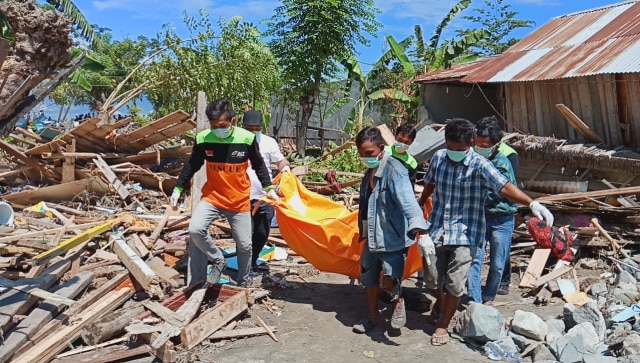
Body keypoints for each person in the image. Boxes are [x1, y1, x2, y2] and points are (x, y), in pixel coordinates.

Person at [418, 118, 553, 346]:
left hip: (466, 234)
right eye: (451, 148)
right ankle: (439, 302)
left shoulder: (480, 165)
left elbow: (504, 186)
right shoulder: (439, 158)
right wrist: (421, 205)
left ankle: (443, 324)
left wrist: (531, 203)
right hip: (437, 230)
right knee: (432, 280)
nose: (455, 153)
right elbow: (430, 183)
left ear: (470, 143)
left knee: (456, 283)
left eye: (460, 149)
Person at [170, 99, 279, 288]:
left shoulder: (246, 138)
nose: (218, 130)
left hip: (238, 201)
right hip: (213, 197)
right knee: (195, 229)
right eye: (213, 126)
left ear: (233, 121)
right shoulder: (204, 139)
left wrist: (269, 189)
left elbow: (260, 165)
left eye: (222, 126)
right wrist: (178, 187)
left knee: (245, 245)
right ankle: (219, 260)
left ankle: (243, 282)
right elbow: (192, 164)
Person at [353, 126, 428, 334]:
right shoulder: (369, 171)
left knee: (389, 279)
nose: (365, 157)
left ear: (381, 147)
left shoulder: (396, 170)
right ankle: (373, 317)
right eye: (361, 154)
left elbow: (408, 202)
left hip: (392, 236)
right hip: (371, 236)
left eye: (368, 153)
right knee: (368, 278)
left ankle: (397, 303)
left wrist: (420, 230)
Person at [467, 119, 518, 306]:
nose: (479, 148)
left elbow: (503, 190)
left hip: (501, 218)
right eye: (477, 144)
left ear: (495, 146)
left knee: (497, 264)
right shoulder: (470, 158)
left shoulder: (503, 163)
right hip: (478, 217)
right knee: (474, 260)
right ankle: (474, 299)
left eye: (484, 146)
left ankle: (488, 297)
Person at [242, 110, 290, 272]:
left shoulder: (268, 143)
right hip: (241, 198)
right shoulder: (234, 143)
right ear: (242, 127)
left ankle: (253, 261)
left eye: (257, 128)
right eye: (250, 129)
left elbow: (280, 160)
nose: (254, 131)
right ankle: (245, 269)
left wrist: (285, 168)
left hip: (264, 197)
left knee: (262, 233)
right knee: (245, 235)